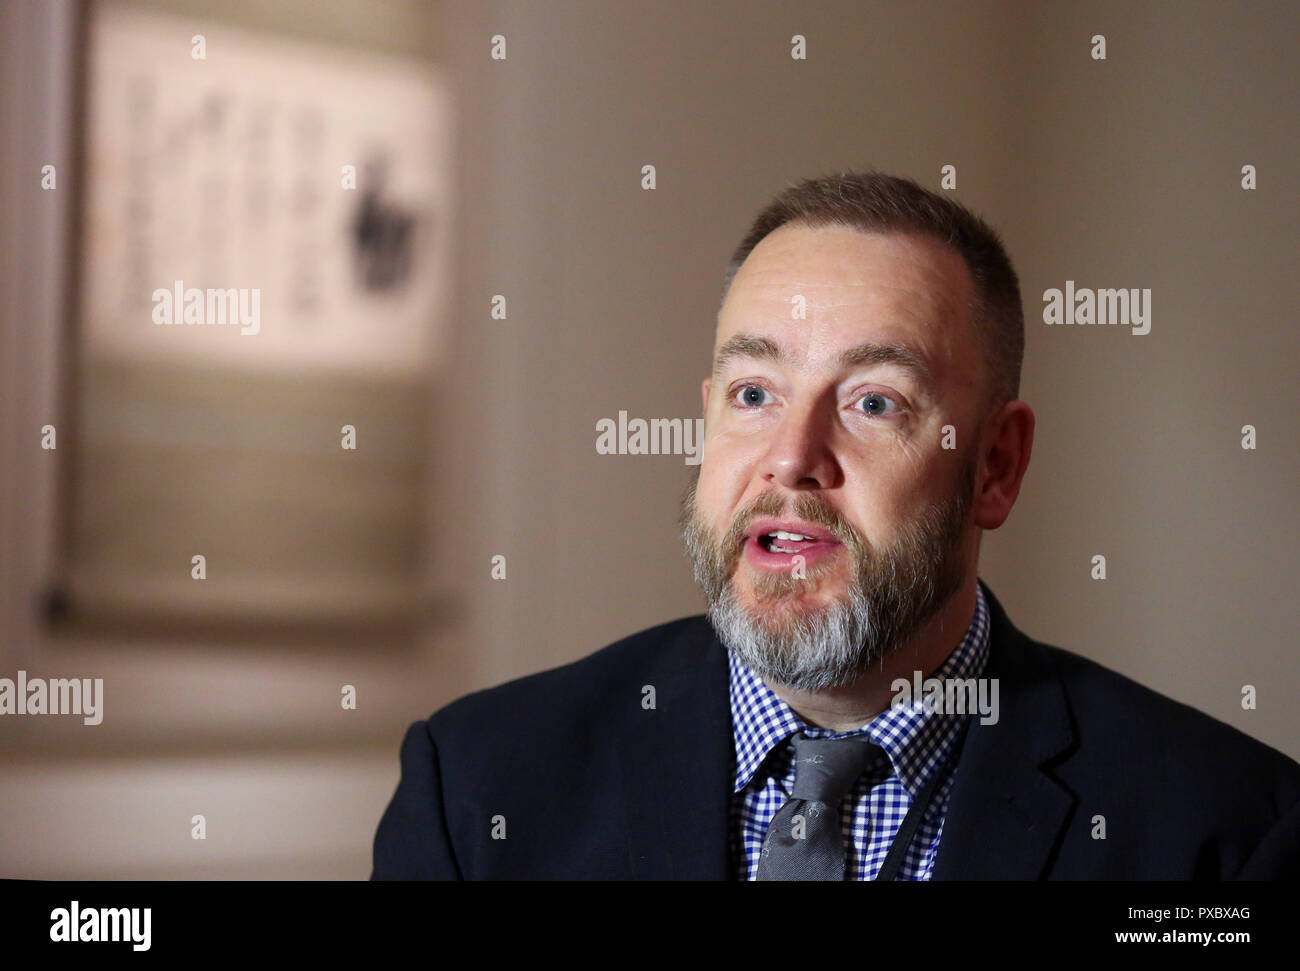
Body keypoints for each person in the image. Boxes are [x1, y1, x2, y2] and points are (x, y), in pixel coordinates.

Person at [372, 171, 1299, 880]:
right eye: (753, 393)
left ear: (996, 466)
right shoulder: (479, 790)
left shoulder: (1226, 833)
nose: (790, 456)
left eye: (872, 401)